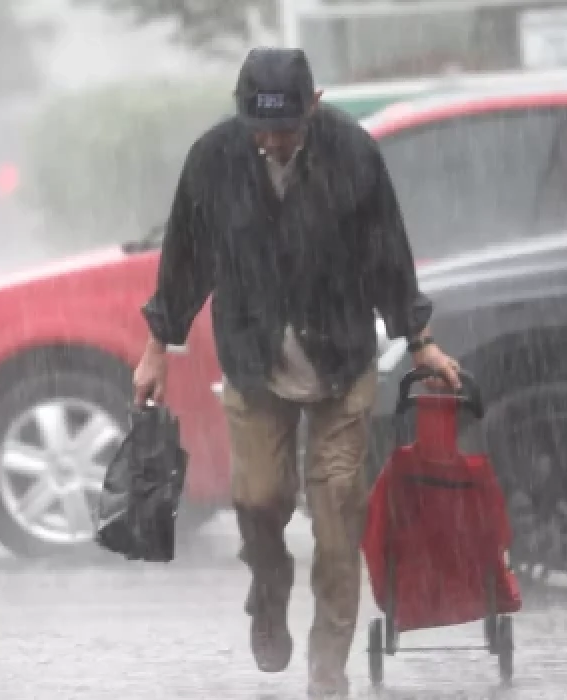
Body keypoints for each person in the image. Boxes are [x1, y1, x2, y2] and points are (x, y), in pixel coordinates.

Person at [134, 47, 462, 698]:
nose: (273, 141)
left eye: (286, 128)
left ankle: (328, 667)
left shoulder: (354, 157)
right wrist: (157, 347)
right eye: (260, 127)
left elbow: (388, 255)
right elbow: (185, 261)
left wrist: (417, 338)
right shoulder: (214, 162)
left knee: (338, 515)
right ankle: (269, 585)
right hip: (254, 362)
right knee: (258, 499)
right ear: (243, 114)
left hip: (341, 359)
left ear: (314, 106)